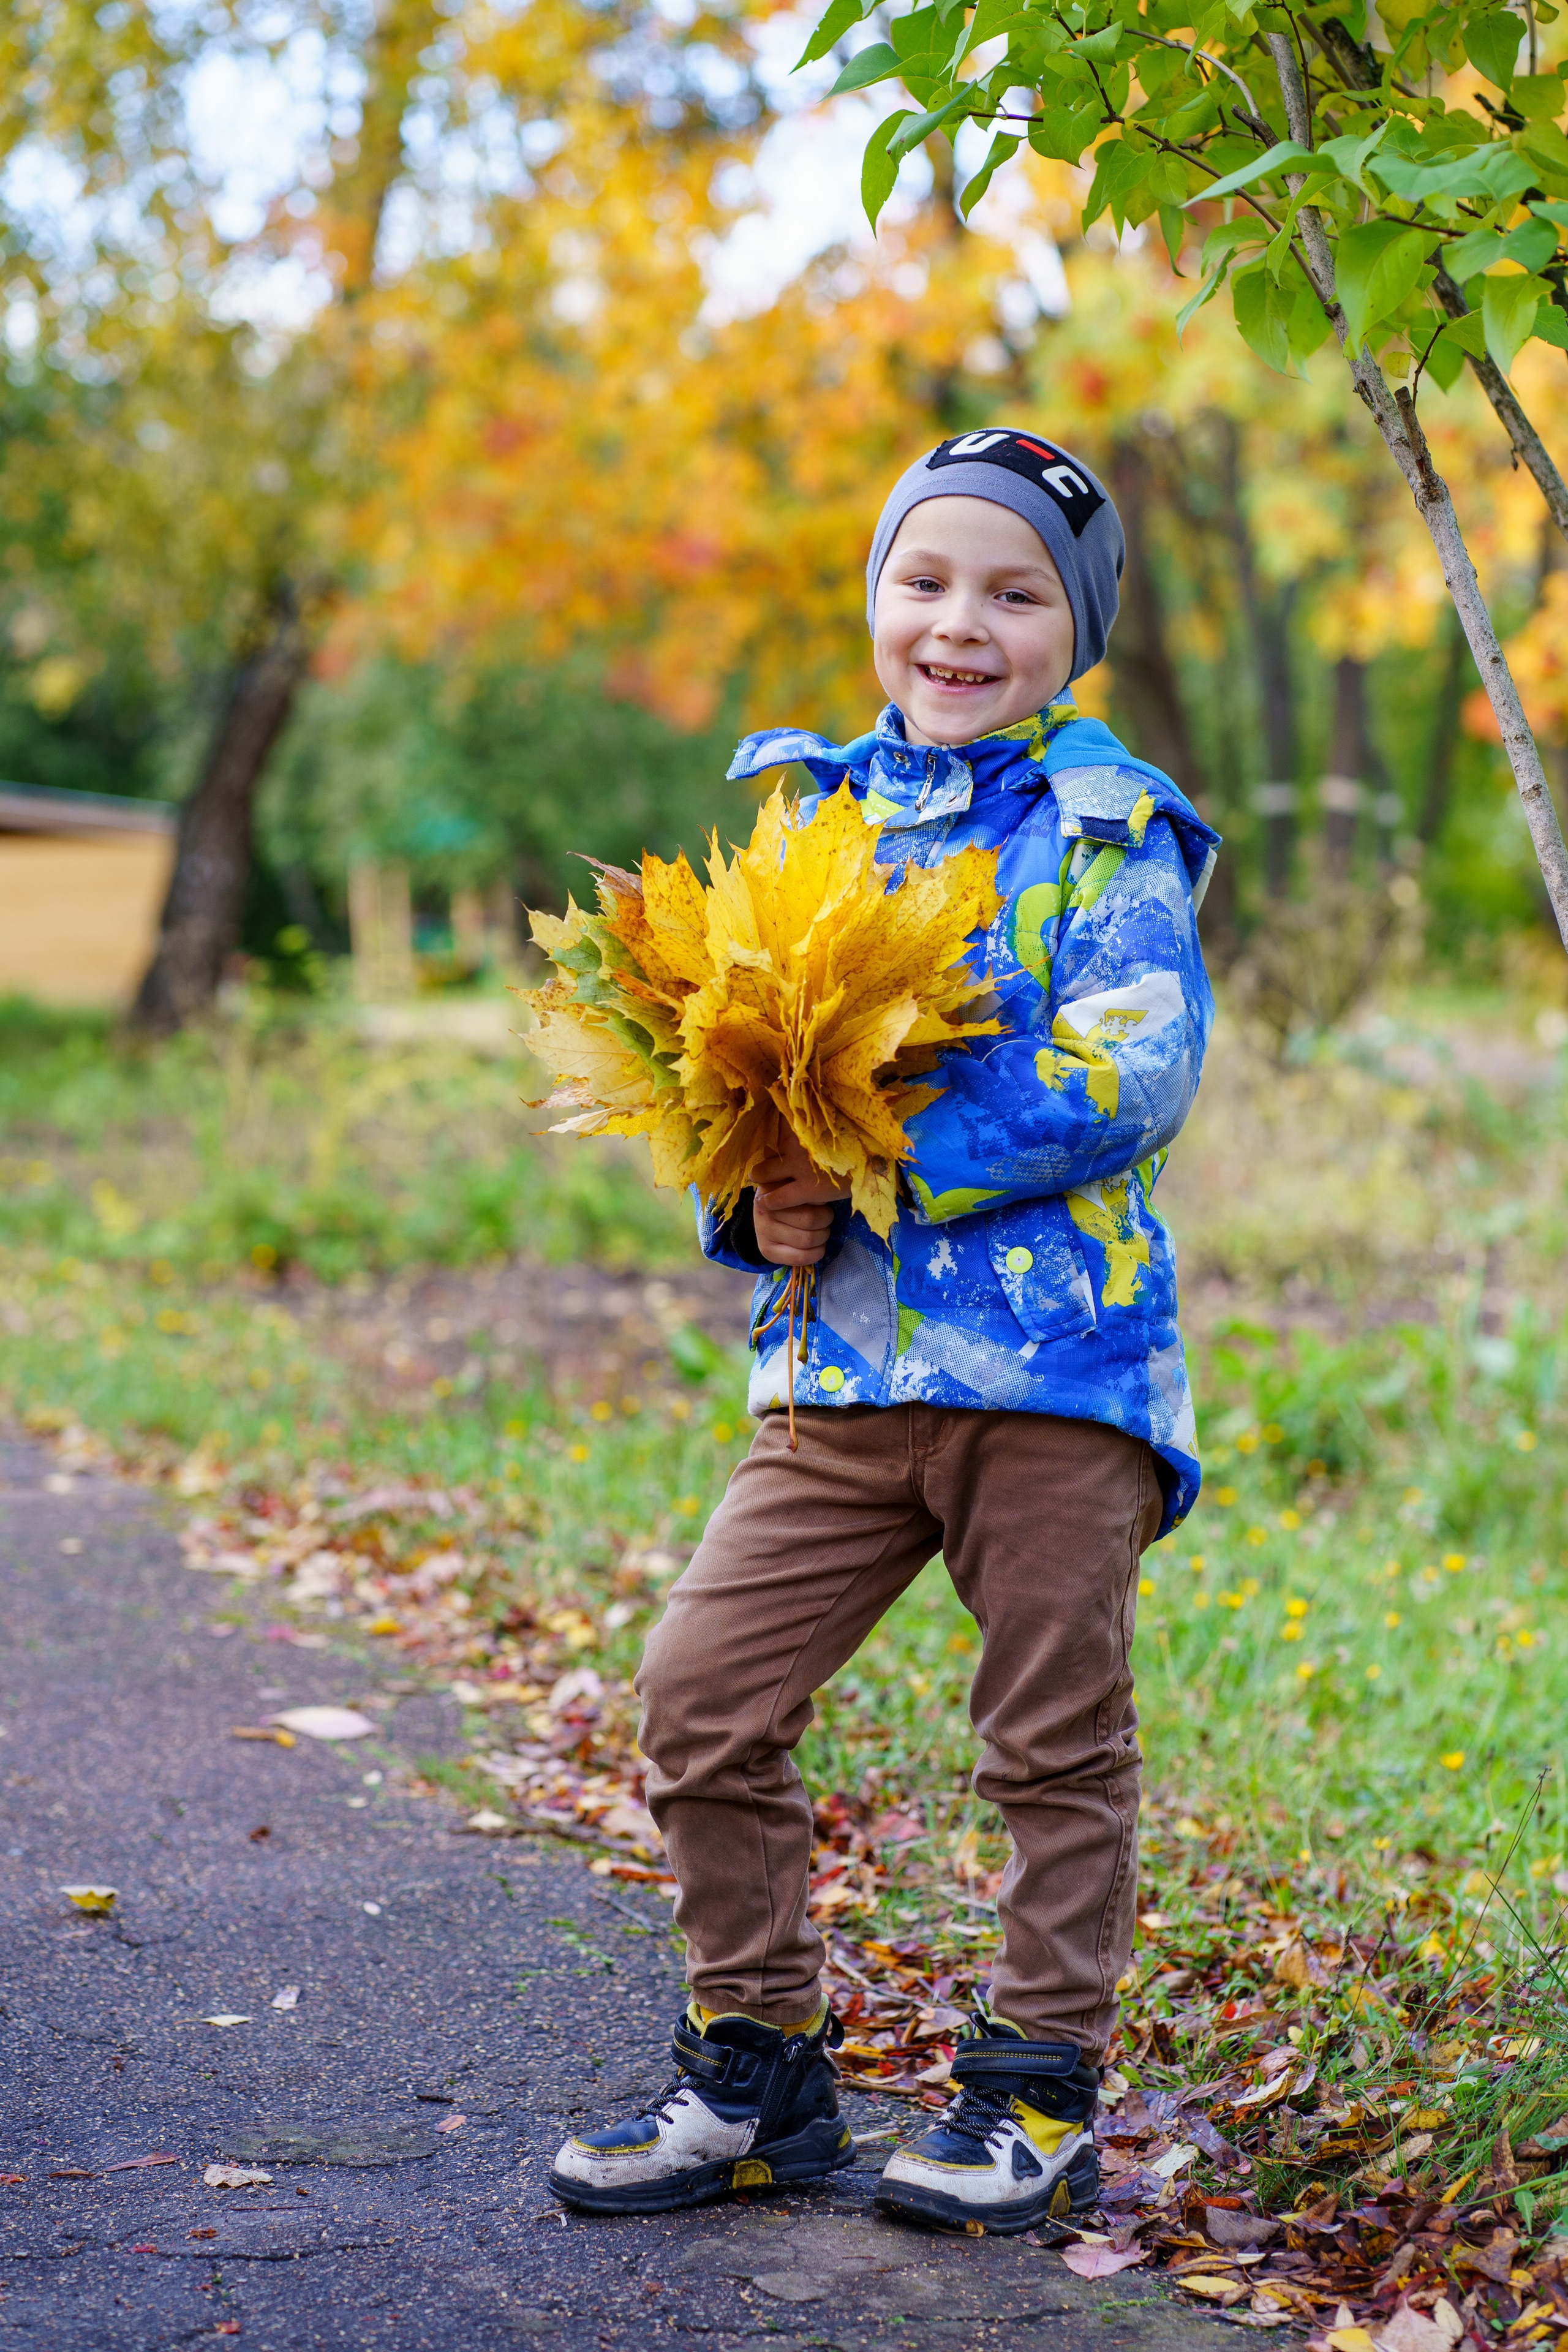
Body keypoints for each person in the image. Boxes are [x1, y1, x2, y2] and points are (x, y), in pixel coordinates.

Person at [549, 428, 1219, 2235]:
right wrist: (753, 1193)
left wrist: (880, 1147)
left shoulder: (1111, 829)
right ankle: (759, 2071)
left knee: (1050, 1734)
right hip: (839, 1377)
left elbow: (1131, 1071)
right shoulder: (811, 818)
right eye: (926, 580)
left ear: (1071, 634)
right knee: (701, 1695)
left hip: (1054, 1379)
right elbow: (740, 1076)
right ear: (877, 601)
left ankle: (1033, 2087)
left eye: (1014, 593)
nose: (960, 622)